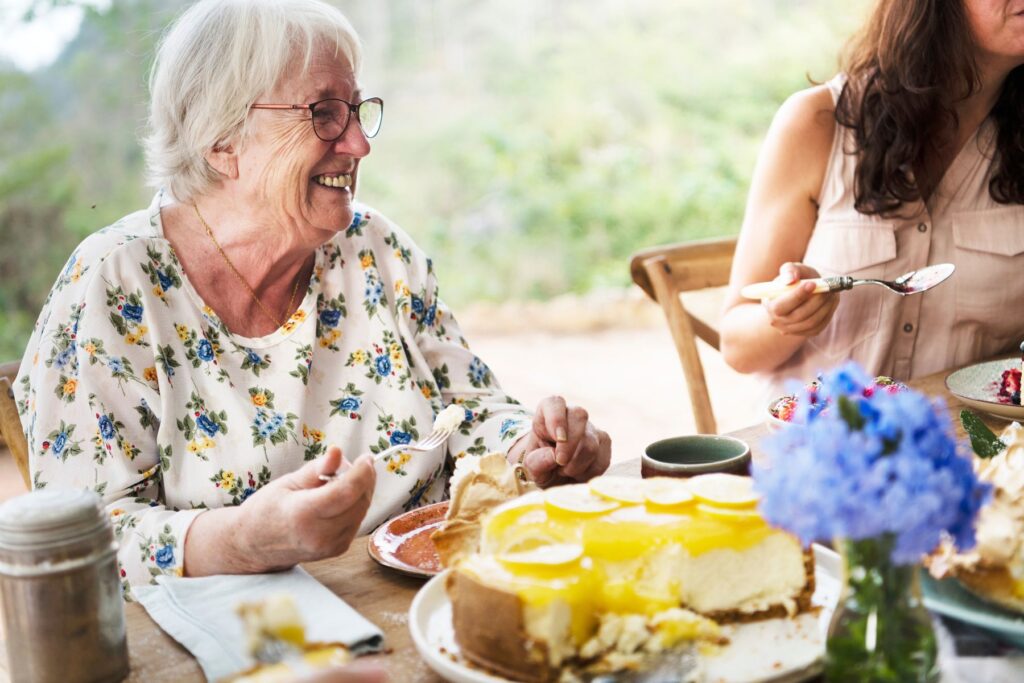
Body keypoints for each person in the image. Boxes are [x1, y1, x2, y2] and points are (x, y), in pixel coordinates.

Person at [14, 0, 611, 596]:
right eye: (324, 113)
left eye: (356, 111)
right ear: (221, 139)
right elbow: (82, 542)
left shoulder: (373, 247)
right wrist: (244, 538)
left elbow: (468, 410)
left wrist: (531, 446)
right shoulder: (116, 285)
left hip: (432, 595)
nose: (357, 145)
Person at [720, 0, 1024, 398]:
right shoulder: (817, 123)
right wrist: (786, 317)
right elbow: (737, 346)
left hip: (975, 451)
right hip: (816, 448)